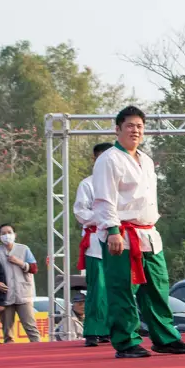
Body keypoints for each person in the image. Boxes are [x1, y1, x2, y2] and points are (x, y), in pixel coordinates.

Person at [93, 106, 185, 358]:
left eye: (139, 126)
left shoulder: (147, 160)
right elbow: (105, 198)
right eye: (129, 126)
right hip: (122, 234)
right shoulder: (109, 159)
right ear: (117, 129)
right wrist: (113, 230)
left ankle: (165, 338)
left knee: (158, 288)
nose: (135, 130)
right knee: (123, 290)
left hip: (148, 232)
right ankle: (126, 341)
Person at [74, 142, 113, 346]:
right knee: (97, 288)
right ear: (95, 159)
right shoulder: (87, 184)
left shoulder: (119, 183)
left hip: (119, 242)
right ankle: (92, 331)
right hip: (96, 241)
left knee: (114, 288)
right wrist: (104, 218)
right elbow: (81, 212)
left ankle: (108, 329)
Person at [0, 224, 41, 343]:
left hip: (23, 294)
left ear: (15, 235)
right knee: (7, 332)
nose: (6, 236)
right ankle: (9, 357)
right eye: (3, 233)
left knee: (31, 328)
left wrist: (20, 262)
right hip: (6, 295)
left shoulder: (24, 249)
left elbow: (34, 268)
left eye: (9, 232)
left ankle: (40, 352)